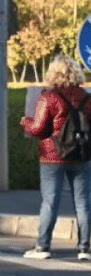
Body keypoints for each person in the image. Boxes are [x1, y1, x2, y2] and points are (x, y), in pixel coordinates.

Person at [18, 54, 91, 260]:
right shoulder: (88, 98)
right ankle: (84, 249)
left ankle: (43, 247)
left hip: (53, 156)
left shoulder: (49, 97)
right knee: (84, 202)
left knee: (50, 201)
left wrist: (26, 122)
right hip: (82, 155)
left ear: (53, 73)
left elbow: (39, 129)